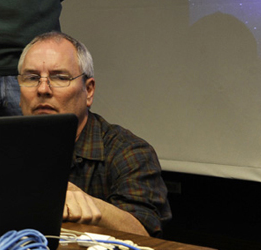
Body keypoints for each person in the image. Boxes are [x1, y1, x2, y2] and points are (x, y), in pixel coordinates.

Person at [17, 32, 171, 236]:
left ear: (88, 91)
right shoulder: (1, 148)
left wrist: (88, 204)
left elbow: (146, 235)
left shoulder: (128, 152)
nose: (43, 89)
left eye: (60, 77)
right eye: (32, 78)